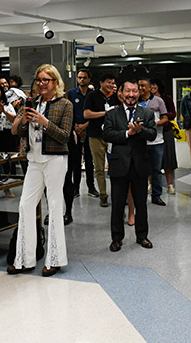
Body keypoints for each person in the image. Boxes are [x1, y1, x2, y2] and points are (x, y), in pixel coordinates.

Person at [9, 64, 73, 277]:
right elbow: (15, 131)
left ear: (56, 82)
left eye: (47, 80)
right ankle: (24, 259)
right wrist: (23, 120)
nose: (42, 84)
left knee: (54, 207)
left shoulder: (65, 104)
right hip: (34, 160)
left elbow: (64, 136)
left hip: (55, 159)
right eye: (39, 80)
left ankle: (54, 259)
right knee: (25, 205)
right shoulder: (31, 103)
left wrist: (45, 122)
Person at [103, 78, 158, 251]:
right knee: (117, 205)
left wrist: (140, 130)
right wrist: (128, 132)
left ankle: (142, 236)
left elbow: (152, 135)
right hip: (119, 166)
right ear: (121, 92)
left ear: (139, 93)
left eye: (135, 91)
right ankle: (116, 238)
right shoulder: (112, 114)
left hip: (140, 166)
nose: (131, 95)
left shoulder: (147, 113)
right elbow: (108, 134)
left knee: (141, 204)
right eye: (128, 91)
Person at [83, 73, 119, 207]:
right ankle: (103, 195)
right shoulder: (92, 96)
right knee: (99, 167)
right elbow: (86, 114)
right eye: (108, 82)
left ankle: (117, 194)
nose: (111, 85)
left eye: (113, 83)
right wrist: (106, 113)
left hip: (113, 136)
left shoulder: (116, 97)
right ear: (101, 83)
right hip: (96, 136)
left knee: (115, 167)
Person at [67, 69, 98, 198]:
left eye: (84, 78)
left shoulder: (94, 94)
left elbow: (96, 113)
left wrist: (85, 126)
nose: (82, 80)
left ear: (89, 79)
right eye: (79, 77)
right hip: (75, 130)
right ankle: (76, 188)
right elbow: (68, 111)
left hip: (90, 129)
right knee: (76, 161)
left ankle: (91, 187)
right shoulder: (71, 93)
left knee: (90, 161)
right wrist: (76, 127)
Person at [138, 77, 169, 206]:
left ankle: (156, 196)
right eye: (139, 86)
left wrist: (153, 124)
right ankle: (140, 196)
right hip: (140, 141)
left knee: (156, 170)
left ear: (150, 87)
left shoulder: (158, 101)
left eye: (143, 86)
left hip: (157, 141)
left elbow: (165, 118)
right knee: (140, 171)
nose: (141, 88)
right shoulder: (135, 101)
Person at [151, 78, 178, 196]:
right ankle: (150, 184)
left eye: (154, 84)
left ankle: (170, 184)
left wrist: (163, 115)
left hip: (166, 130)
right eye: (150, 85)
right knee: (150, 159)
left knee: (168, 158)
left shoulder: (167, 98)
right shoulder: (144, 100)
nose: (152, 87)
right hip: (151, 131)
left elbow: (173, 113)